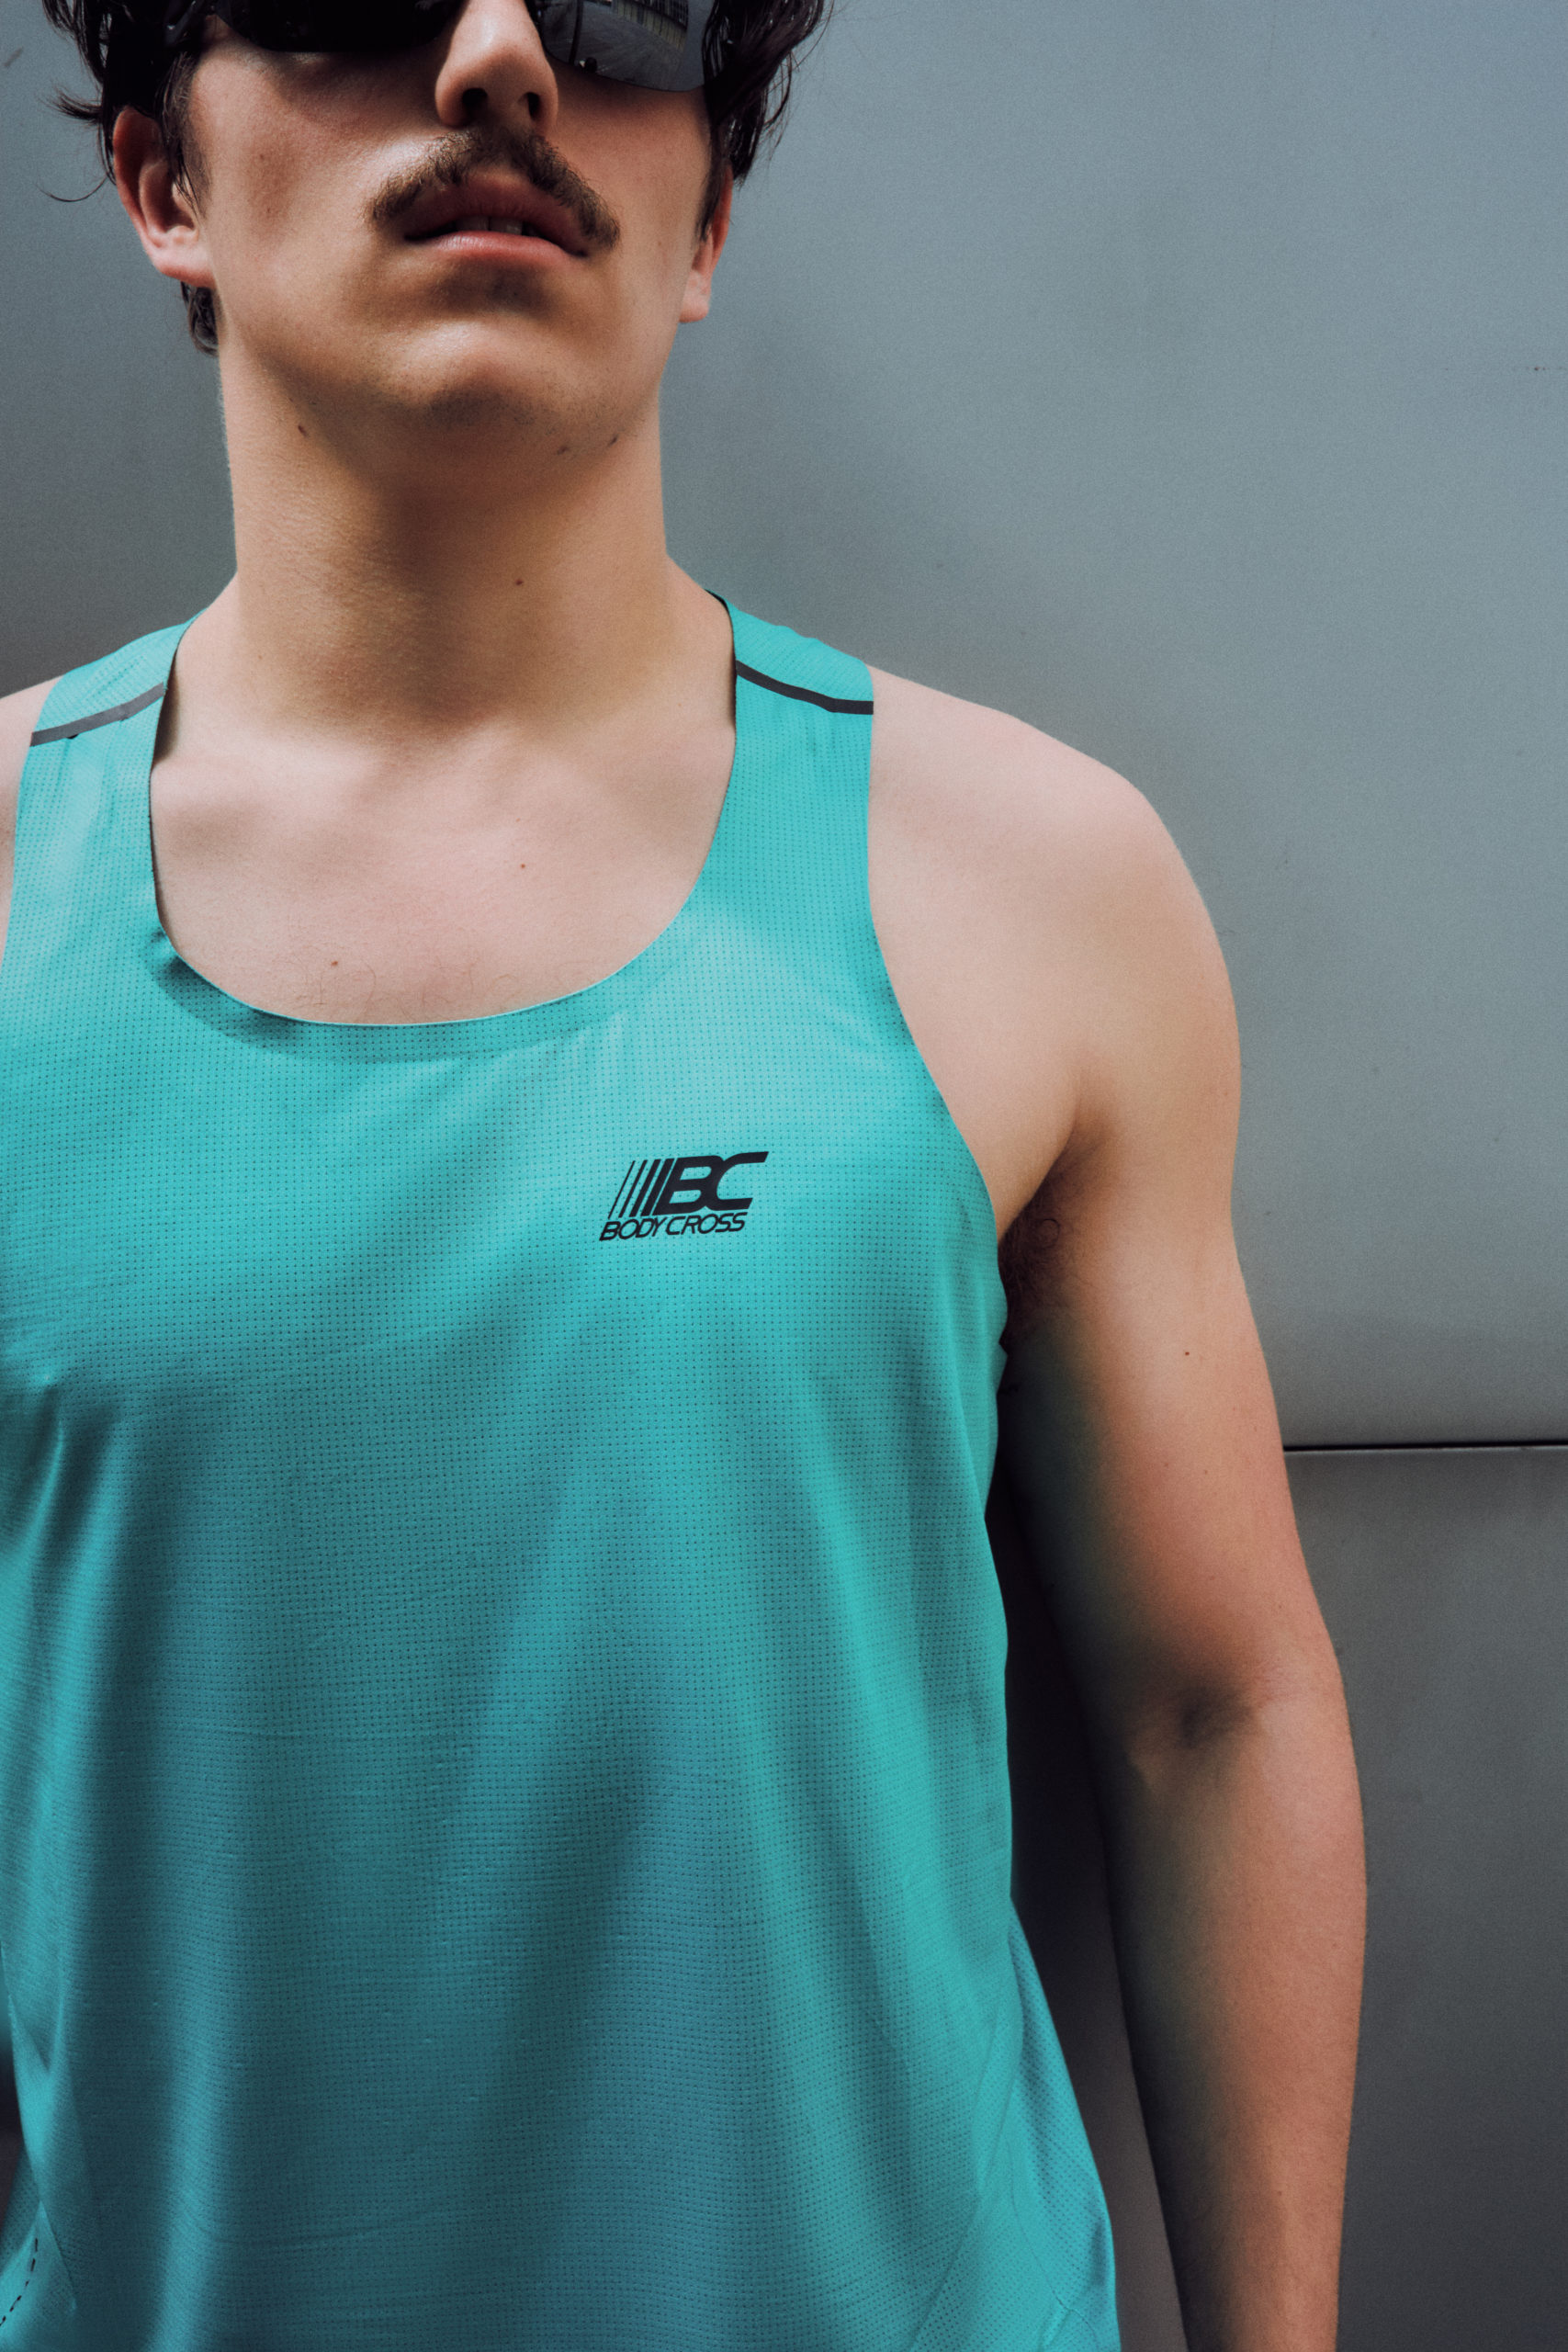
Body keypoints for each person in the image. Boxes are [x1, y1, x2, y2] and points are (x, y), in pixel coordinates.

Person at [0, 4, 1366, 2346]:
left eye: (618, 4)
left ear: (708, 219)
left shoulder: (1025, 884)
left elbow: (1211, 1711)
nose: (499, 54)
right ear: (162, 184)